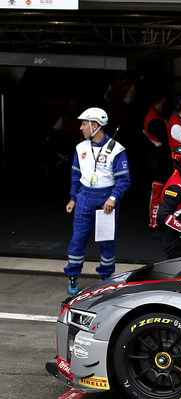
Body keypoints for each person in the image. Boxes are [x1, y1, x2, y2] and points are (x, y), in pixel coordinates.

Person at [64, 107, 130, 295]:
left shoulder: (116, 149)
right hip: (84, 197)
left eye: (84, 124)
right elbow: (75, 175)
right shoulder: (81, 147)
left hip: (106, 200)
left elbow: (124, 180)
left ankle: (105, 277)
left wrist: (113, 198)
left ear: (95, 125)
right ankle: (73, 276)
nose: (81, 128)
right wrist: (72, 198)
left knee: (106, 241)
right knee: (78, 239)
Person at [143, 94, 171, 229]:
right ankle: (154, 223)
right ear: (163, 100)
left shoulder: (159, 115)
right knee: (157, 191)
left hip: (162, 159)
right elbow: (166, 138)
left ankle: (161, 220)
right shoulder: (153, 119)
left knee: (164, 192)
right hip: (156, 160)